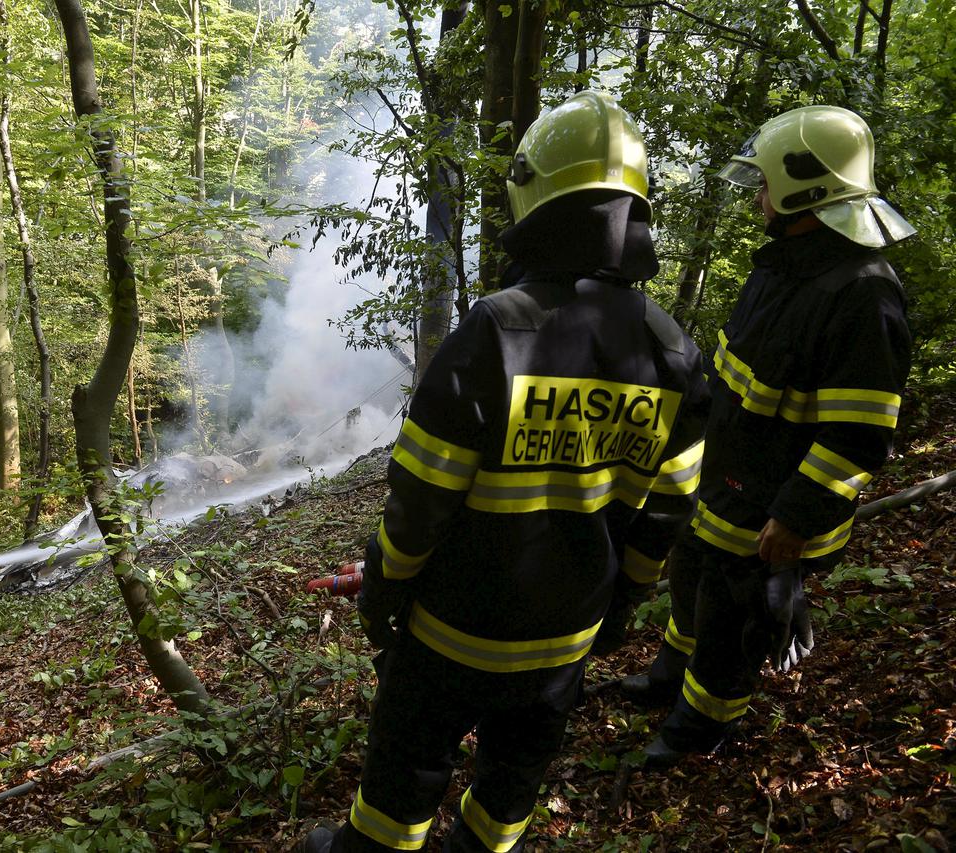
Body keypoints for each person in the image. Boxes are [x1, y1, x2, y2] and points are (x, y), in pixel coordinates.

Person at [303, 90, 710, 853]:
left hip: (454, 633)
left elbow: (420, 496)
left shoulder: (500, 328)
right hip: (565, 638)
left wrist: (385, 584)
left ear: (536, 198)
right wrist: (622, 603)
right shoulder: (670, 351)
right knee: (511, 786)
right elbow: (669, 509)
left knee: (404, 779)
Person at [618, 105, 914, 764]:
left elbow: (858, 436)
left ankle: (700, 727)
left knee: (732, 624)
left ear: (804, 190)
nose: (758, 197)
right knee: (693, 583)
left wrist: (795, 518)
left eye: (766, 184)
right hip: (725, 484)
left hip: (772, 513)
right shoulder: (782, 265)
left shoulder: (864, 297)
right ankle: (670, 677)